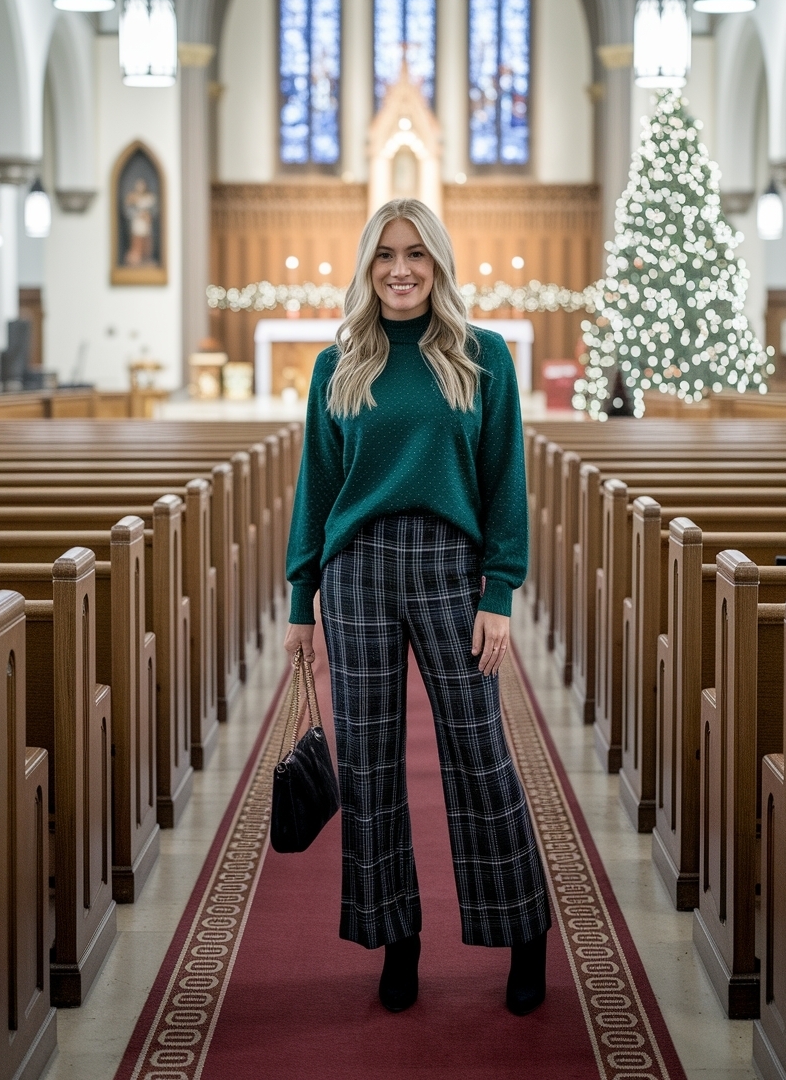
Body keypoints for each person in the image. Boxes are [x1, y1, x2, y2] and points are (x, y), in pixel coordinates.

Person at [284, 197, 550, 1016]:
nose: (401, 269)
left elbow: (506, 481)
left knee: (481, 754)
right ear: (367, 267)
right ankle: (396, 938)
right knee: (369, 766)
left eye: (417, 255)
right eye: (385, 256)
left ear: (438, 264)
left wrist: (498, 592)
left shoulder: (483, 357)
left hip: (449, 567)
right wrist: (303, 600)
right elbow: (317, 491)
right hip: (356, 572)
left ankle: (523, 930)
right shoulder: (341, 365)